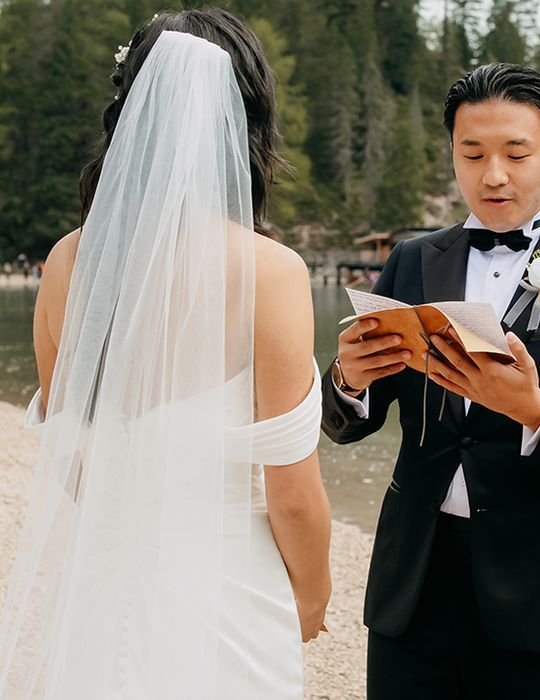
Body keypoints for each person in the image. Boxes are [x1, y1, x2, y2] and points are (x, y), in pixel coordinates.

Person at [0, 9, 330, 699]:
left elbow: (72, 450)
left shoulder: (65, 260)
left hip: (99, 588)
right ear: (245, 124)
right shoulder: (271, 274)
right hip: (227, 598)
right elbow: (292, 495)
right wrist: (313, 596)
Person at [321, 63, 540, 699]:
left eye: (516, 152)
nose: (493, 174)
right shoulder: (412, 259)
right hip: (415, 578)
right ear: (452, 153)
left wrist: (537, 409)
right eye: (472, 152)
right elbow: (349, 424)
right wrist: (349, 379)